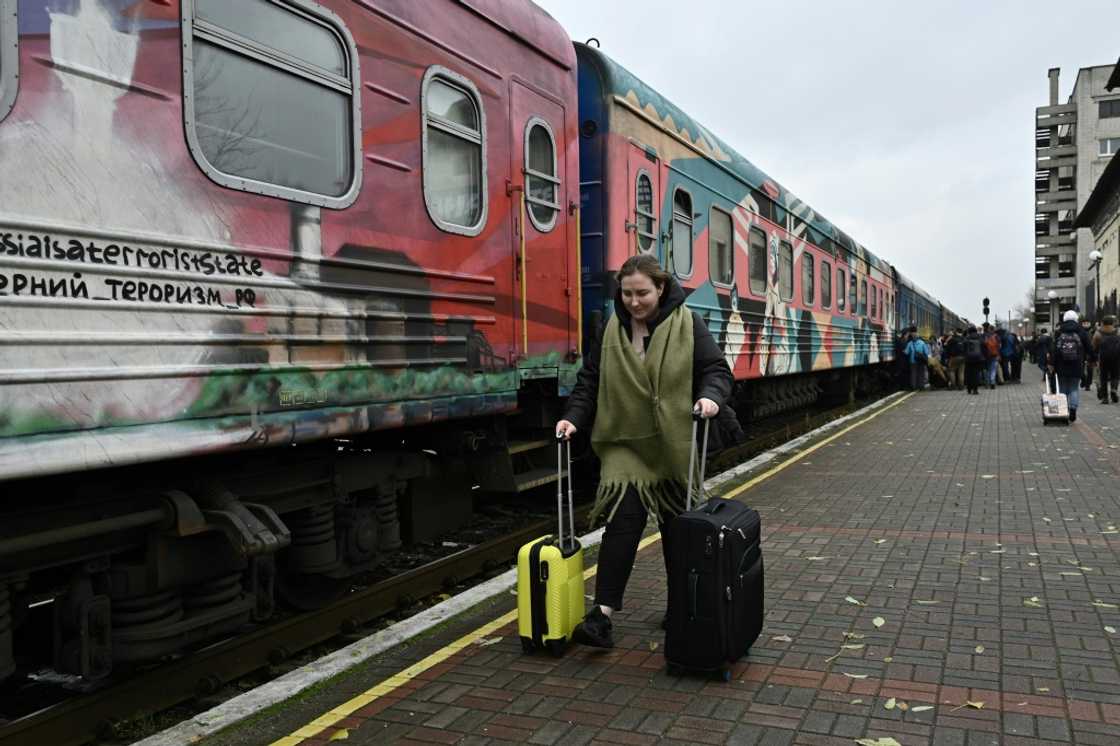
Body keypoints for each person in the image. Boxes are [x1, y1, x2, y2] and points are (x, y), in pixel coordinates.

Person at [556, 254, 733, 648]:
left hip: (674, 444)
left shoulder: (689, 324)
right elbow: (590, 381)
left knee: (677, 530)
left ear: (661, 289)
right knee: (623, 521)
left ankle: (680, 606)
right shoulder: (610, 329)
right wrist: (572, 418)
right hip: (625, 443)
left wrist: (710, 397)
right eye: (627, 294)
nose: (634, 302)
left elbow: (716, 371)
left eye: (642, 293)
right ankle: (601, 616)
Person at [1048, 310, 1094, 422]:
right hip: (1077, 364)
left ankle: (1064, 411)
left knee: (1062, 388)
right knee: (1074, 388)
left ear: (1064, 319)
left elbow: (1054, 350)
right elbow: (1089, 348)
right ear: (1076, 319)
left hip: (1061, 365)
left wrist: (1051, 363)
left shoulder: (1059, 332)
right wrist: (1093, 358)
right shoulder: (1082, 331)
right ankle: (1073, 409)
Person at [1093, 315, 1120, 404]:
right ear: (1112, 323)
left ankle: (1105, 398)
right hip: (1116, 358)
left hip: (1103, 358)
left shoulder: (1098, 333)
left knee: (1103, 377)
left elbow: (1094, 346)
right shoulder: (1118, 332)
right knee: (1115, 375)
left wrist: (1093, 357)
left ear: (1102, 323)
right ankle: (1114, 389)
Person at [963, 325, 984, 394]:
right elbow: (983, 346)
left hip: (968, 359)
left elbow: (964, 348)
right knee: (976, 374)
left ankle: (969, 388)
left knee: (969, 374)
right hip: (978, 358)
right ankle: (975, 389)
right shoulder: (979, 338)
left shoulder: (967, 338)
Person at [982, 324, 1000, 389]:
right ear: (994, 329)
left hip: (987, 355)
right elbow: (999, 346)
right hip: (995, 354)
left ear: (988, 329)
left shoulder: (985, 335)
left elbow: (983, 345)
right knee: (993, 369)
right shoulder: (996, 336)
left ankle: (987, 383)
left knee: (987, 369)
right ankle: (992, 382)